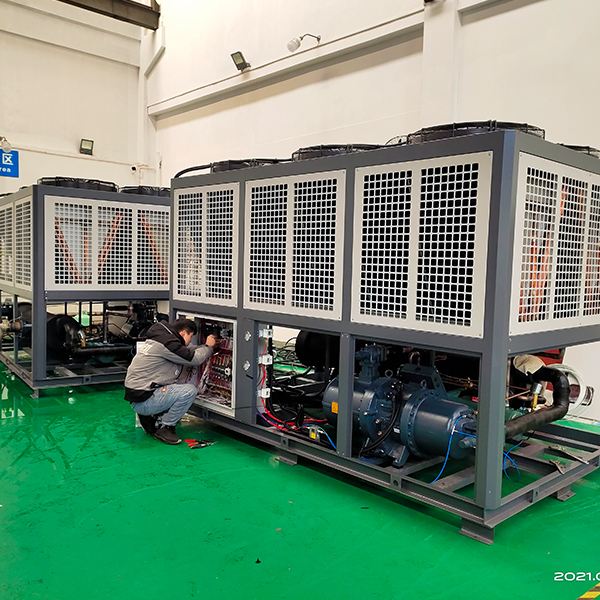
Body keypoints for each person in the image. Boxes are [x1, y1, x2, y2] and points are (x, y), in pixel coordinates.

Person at [125, 317, 217, 445]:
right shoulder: (168, 345)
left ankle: (150, 419)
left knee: (175, 384)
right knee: (189, 391)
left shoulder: (161, 339)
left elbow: (186, 351)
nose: (190, 341)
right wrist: (208, 347)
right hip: (144, 400)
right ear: (183, 333)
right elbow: (195, 359)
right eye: (190, 337)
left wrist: (201, 348)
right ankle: (166, 427)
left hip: (139, 396)